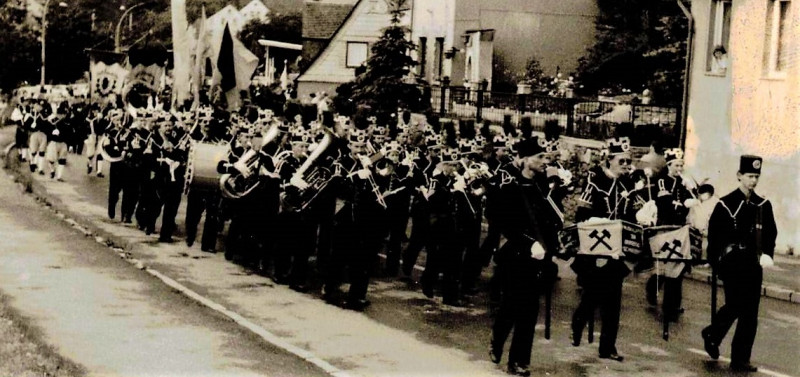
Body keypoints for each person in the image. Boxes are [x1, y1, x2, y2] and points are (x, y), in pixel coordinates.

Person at [489, 137, 561, 376]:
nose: (544, 161)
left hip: (539, 258)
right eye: (539, 157)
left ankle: (518, 361)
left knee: (529, 311)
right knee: (511, 306)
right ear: (524, 159)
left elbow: (549, 220)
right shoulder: (510, 186)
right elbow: (503, 222)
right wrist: (529, 243)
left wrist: (557, 244)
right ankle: (497, 339)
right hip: (517, 255)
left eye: (545, 156)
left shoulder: (541, 185)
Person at [701, 155, 777, 372]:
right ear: (739, 176)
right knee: (735, 304)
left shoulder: (763, 204)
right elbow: (715, 236)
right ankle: (713, 334)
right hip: (732, 263)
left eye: (756, 176)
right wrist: (714, 262)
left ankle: (740, 358)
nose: (753, 181)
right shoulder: (725, 204)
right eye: (750, 176)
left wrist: (767, 254)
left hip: (753, 264)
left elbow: (770, 233)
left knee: (750, 313)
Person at [571, 137, 636, 362]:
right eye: (622, 161)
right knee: (593, 296)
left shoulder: (628, 184)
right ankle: (579, 321)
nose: (627, 165)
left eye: (629, 161)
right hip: (596, 246)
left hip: (617, 250)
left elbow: (632, 215)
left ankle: (607, 347)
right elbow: (581, 214)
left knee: (613, 300)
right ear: (610, 160)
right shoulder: (595, 181)